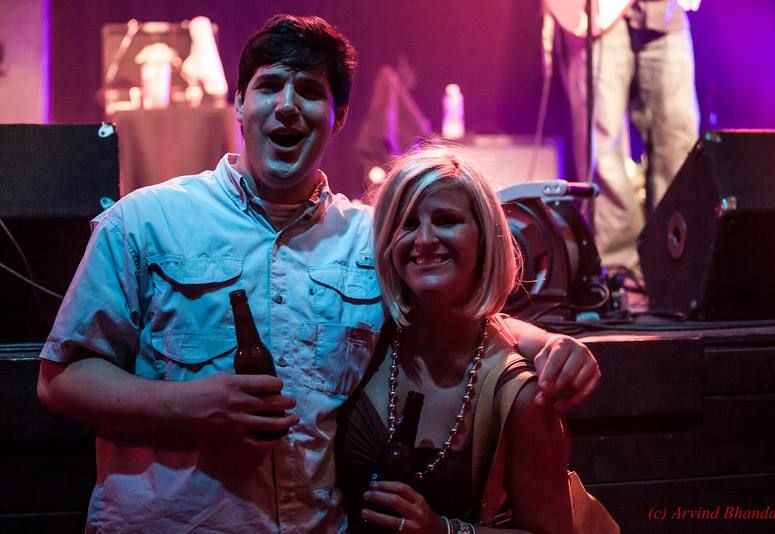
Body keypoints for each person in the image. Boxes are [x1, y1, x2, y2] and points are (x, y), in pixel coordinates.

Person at [37, 14, 598, 533]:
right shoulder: (144, 221)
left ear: (338, 118)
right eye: (269, 86)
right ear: (239, 105)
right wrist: (194, 404)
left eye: (309, 91)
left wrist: (546, 343)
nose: (287, 105)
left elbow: (453, 315)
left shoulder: (371, 240)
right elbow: (61, 378)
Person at [337, 145, 574, 533]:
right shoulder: (363, 341)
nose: (424, 239)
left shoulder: (521, 396)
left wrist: (442, 530)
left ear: (486, 238)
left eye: (445, 220)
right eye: (407, 224)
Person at [553, 0, 701, 270]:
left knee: (679, 142)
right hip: (595, 14)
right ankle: (620, 271)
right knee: (602, 148)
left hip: (663, 11)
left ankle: (673, 266)